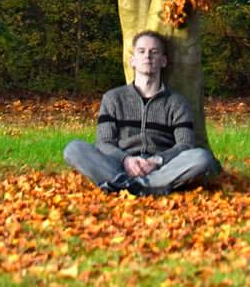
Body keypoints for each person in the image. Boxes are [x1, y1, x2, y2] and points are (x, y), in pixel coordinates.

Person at [63, 30, 221, 196]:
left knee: (201, 157)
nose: (148, 56)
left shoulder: (177, 102)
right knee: (74, 149)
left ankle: (129, 186)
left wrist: (156, 161)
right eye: (141, 51)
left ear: (163, 61)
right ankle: (137, 185)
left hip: (162, 168)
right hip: (120, 165)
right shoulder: (113, 98)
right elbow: (104, 143)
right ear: (132, 60)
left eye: (154, 52)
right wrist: (126, 160)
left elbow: (185, 145)